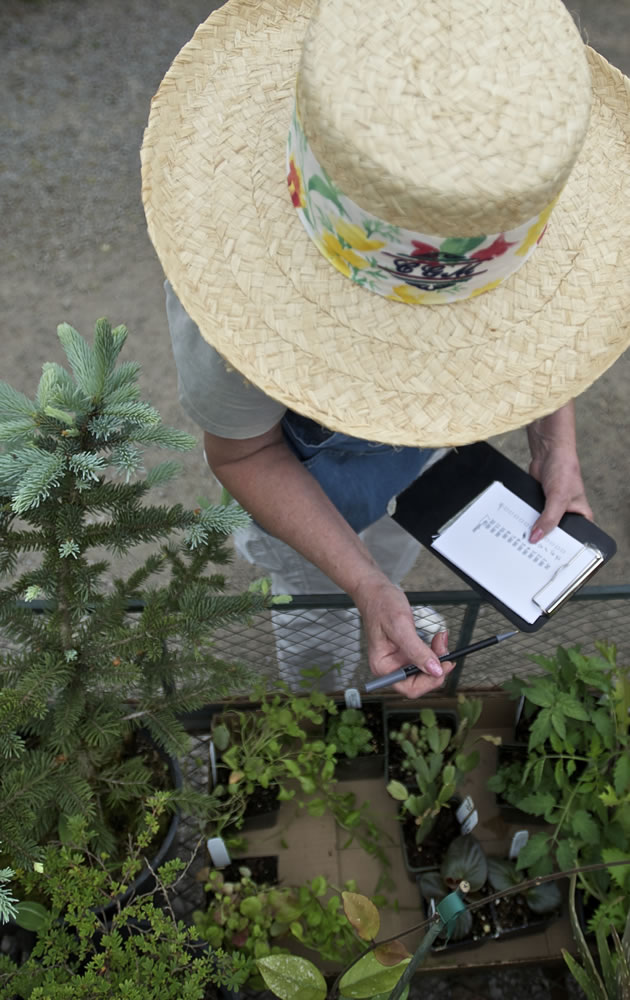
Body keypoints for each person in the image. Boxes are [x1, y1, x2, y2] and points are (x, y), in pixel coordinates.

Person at [141, 0, 630, 697]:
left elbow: (541, 339)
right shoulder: (228, 307)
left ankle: (375, 612)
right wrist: (362, 585)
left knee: (394, 552)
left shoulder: (510, 185)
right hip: (307, 499)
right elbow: (245, 452)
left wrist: (555, 446)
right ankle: (317, 696)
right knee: (313, 609)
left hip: (418, 478)